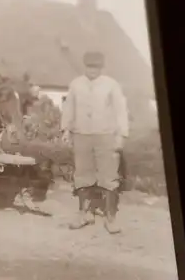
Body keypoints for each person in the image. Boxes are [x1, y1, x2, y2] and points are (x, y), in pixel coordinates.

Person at [60, 51, 129, 234]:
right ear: (84, 66)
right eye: (89, 66)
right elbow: (69, 107)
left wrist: (121, 135)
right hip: (81, 134)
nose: (92, 70)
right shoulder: (76, 84)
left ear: (101, 67)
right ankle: (84, 213)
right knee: (82, 175)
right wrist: (66, 129)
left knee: (108, 177)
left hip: (105, 135)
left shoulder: (111, 85)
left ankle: (110, 218)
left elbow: (120, 110)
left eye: (96, 67)